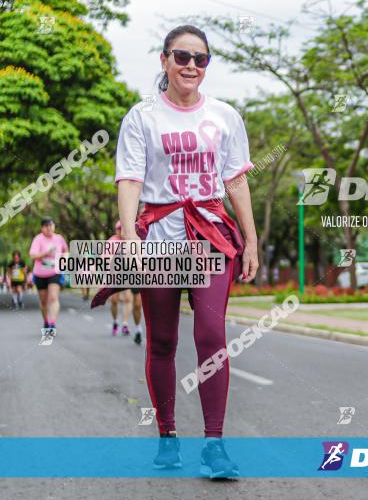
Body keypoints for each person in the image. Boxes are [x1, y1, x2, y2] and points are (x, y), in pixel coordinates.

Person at [101, 25, 258, 478]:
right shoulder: (142, 116)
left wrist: (250, 240)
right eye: (182, 56)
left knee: (211, 335)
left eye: (200, 59)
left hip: (210, 234)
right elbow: (129, 177)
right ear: (165, 60)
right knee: (164, 341)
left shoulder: (225, 116)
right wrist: (131, 236)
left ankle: (214, 446)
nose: (191, 66)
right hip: (159, 238)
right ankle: (167, 436)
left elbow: (236, 181)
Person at [29, 217, 68, 337]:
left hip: (55, 272)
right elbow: (32, 256)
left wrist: (65, 258)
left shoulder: (59, 238)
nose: (49, 228)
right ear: (42, 228)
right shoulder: (38, 239)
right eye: (46, 226)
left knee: (53, 298)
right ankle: (46, 321)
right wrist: (46, 253)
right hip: (40, 273)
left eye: (51, 225)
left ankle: (52, 324)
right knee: (44, 300)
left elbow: (66, 250)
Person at [107, 221, 144, 344]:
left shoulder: (135, 240)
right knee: (114, 301)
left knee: (136, 303)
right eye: (118, 229)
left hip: (135, 273)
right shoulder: (113, 241)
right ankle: (116, 321)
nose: (120, 231)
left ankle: (134, 328)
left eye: (122, 228)